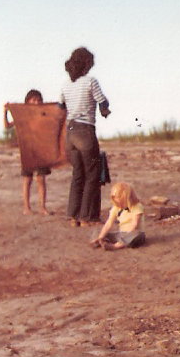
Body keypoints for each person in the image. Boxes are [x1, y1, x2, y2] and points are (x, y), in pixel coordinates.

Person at [60, 46, 111, 226]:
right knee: (92, 175)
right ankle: (87, 217)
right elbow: (102, 100)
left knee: (78, 175)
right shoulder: (91, 81)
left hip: (70, 133)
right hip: (85, 131)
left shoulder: (66, 85)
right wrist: (105, 110)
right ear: (86, 64)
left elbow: (61, 107)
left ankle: (72, 216)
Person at [3, 89, 51, 215]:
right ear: (28, 101)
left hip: (41, 150)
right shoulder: (22, 116)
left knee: (41, 179)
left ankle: (42, 207)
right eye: (34, 100)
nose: (36, 102)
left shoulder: (44, 114)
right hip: (27, 150)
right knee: (27, 180)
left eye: (39, 100)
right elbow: (7, 126)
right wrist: (5, 112)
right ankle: (27, 208)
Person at [90, 181, 146, 250]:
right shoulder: (116, 207)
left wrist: (127, 235)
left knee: (136, 235)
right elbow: (109, 223)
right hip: (121, 234)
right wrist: (101, 236)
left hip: (133, 233)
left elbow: (135, 224)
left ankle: (115, 246)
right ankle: (100, 241)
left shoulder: (137, 206)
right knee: (98, 231)